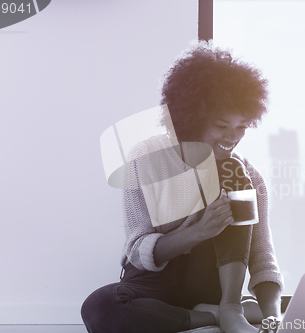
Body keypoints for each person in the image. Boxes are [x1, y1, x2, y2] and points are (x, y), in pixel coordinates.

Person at [81, 41, 283, 333]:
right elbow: (138, 250)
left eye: (242, 126)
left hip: (212, 280)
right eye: (221, 125)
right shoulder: (146, 158)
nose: (233, 137)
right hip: (155, 281)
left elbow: (262, 255)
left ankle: (230, 308)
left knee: (234, 172)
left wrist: (272, 317)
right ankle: (213, 316)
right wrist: (199, 231)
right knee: (100, 307)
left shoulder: (246, 174)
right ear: (191, 118)